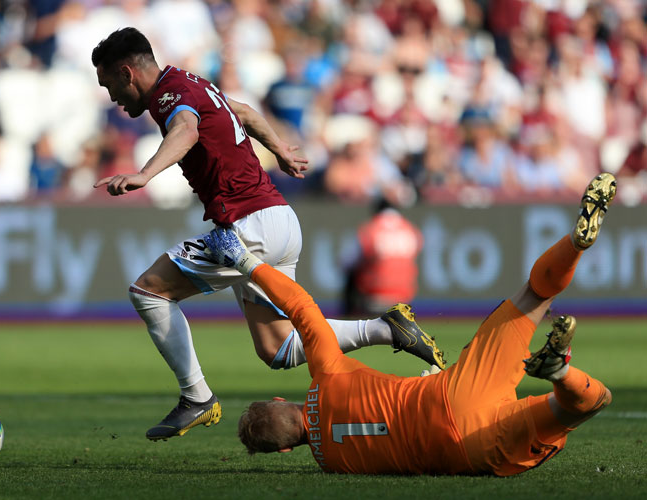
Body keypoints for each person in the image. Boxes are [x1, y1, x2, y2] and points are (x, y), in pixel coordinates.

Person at [90, 28, 445, 441]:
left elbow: (186, 131)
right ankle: (387, 329)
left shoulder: (170, 97)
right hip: (279, 218)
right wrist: (279, 149)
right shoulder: (192, 82)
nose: (112, 96)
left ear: (126, 72)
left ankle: (197, 398)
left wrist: (144, 175)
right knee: (279, 348)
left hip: (246, 227)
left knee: (149, 292)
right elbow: (243, 111)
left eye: (109, 84)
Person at [204, 172, 617, 476]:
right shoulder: (326, 376)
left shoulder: (334, 464)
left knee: (585, 404)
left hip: (468, 451)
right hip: (449, 390)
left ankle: (560, 372)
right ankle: (576, 245)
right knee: (534, 296)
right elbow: (300, 305)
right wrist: (244, 262)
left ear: (286, 451)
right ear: (280, 403)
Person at [342, 196, 422, 316]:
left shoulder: (370, 228)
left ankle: (349, 316)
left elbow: (347, 262)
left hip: (375, 294)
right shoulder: (410, 229)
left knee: (352, 274)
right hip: (405, 296)